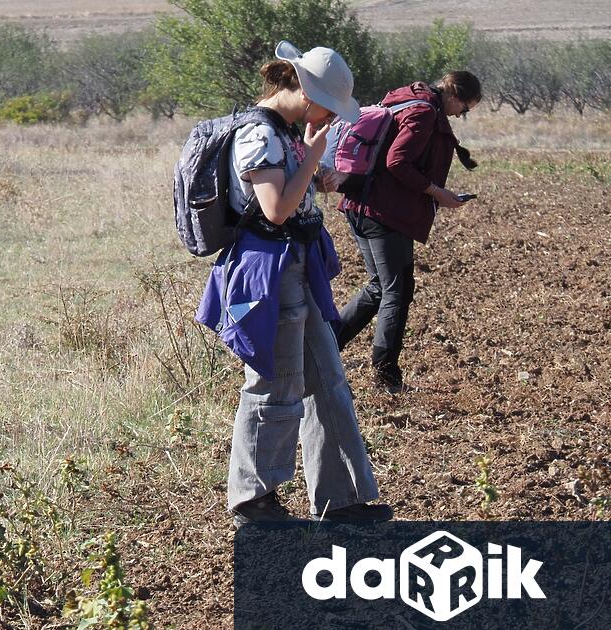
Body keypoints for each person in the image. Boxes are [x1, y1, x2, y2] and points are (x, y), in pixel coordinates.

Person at [196, 42, 391, 525]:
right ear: (306, 92)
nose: (329, 116)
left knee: (327, 381)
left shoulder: (284, 133)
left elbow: (291, 193)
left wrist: (313, 168)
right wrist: (312, 157)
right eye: (328, 105)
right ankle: (253, 499)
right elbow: (275, 210)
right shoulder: (255, 135)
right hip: (269, 274)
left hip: (296, 267)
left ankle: (341, 498)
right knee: (275, 383)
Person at [335, 72, 482, 393]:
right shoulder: (424, 111)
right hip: (384, 213)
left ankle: (325, 349)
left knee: (381, 287)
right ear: (454, 95)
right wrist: (436, 192)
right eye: (465, 108)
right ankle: (386, 377)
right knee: (397, 291)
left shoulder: (407, 98)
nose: (461, 115)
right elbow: (397, 161)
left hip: (362, 204)